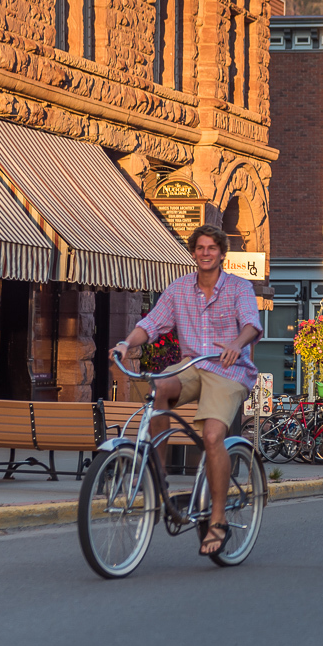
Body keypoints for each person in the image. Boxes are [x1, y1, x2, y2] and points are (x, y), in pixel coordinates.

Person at [112, 224, 261, 557]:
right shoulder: (179, 289)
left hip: (229, 369)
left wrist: (237, 344)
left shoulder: (239, 288)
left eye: (212, 248)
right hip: (193, 366)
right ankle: (159, 476)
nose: (205, 253)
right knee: (159, 386)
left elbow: (252, 322)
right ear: (193, 253)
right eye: (200, 248)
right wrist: (125, 344)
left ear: (222, 253)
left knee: (211, 438)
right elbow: (150, 324)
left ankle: (218, 519)